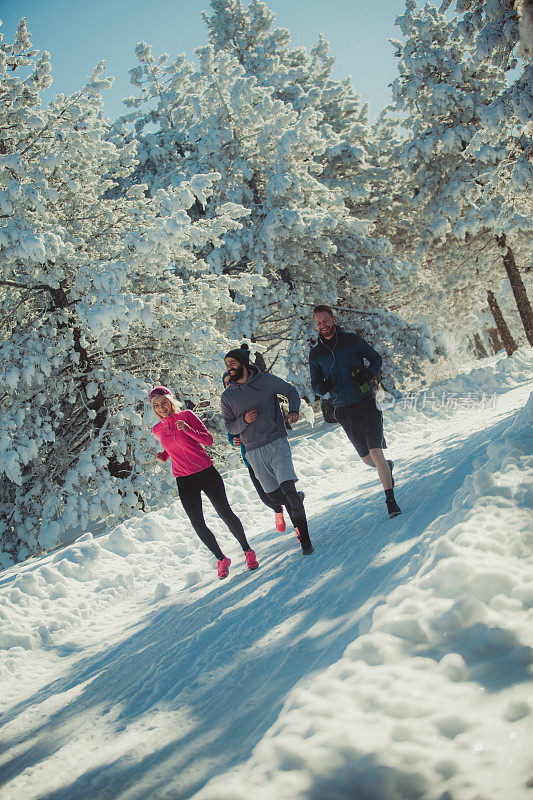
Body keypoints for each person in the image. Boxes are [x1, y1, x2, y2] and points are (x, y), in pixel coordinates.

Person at [149, 385, 258, 579]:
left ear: (170, 401)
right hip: (184, 479)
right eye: (156, 405)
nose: (161, 407)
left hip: (206, 472)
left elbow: (208, 440)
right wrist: (165, 455)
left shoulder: (187, 416)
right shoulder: (157, 429)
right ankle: (221, 559)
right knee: (197, 523)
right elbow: (173, 445)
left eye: (164, 402)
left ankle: (248, 550)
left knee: (225, 513)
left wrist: (188, 429)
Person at [309, 305, 401, 518]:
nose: (323, 326)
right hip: (343, 409)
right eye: (318, 323)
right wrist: (321, 387)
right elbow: (315, 384)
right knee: (369, 459)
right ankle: (386, 467)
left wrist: (367, 373)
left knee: (376, 451)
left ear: (333, 318)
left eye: (325, 320)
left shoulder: (351, 340)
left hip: (366, 403)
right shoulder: (316, 354)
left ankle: (390, 500)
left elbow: (376, 359)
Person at [221, 346, 314, 555]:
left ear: (243, 362)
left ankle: (306, 541)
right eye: (227, 365)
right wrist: (244, 421)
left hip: (277, 442)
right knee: (275, 498)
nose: (229, 367)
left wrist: (294, 410)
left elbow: (290, 391)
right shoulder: (227, 397)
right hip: (253, 451)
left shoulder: (265, 381)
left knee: (288, 490)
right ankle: (294, 502)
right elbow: (229, 427)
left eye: (232, 363)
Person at [223, 371, 287, 533]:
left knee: (284, 488)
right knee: (266, 496)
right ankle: (278, 510)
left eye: (231, 381)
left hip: (270, 449)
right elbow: (231, 433)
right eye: (226, 383)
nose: (229, 385)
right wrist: (234, 440)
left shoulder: (249, 399)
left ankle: (295, 510)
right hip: (251, 459)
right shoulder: (230, 406)